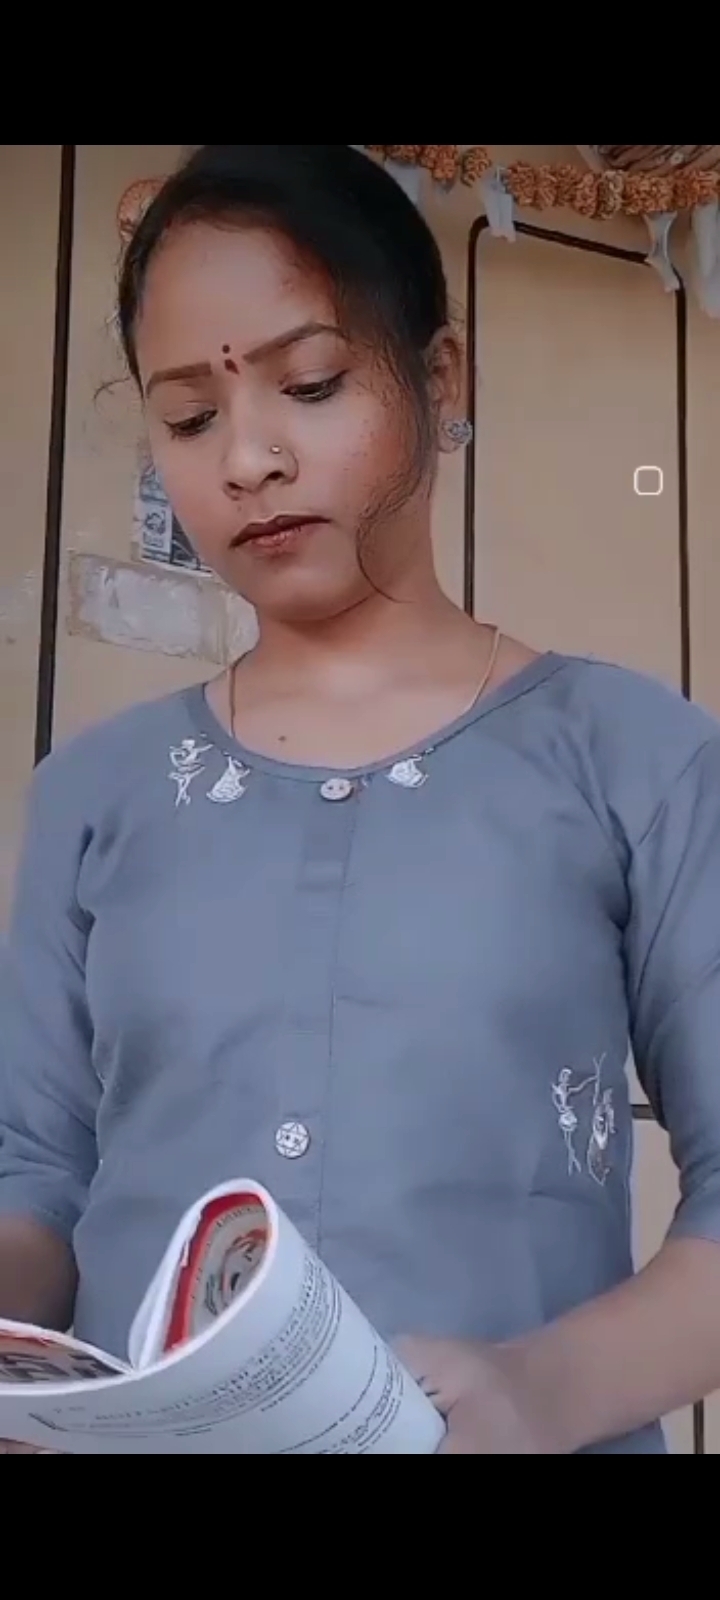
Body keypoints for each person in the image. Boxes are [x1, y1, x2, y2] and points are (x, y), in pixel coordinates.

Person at [2, 144, 720, 1457]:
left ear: (440, 381)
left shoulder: (638, 758)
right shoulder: (91, 797)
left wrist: (544, 1391)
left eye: (312, 385)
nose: (249, 459)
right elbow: (33, 1180)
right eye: (189, 418)